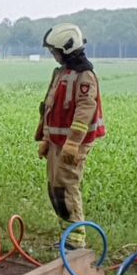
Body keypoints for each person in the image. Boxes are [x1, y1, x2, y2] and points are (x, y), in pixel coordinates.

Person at [35, 23, 105, 249]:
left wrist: (73, 143)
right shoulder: (62, 73)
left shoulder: (84, 76)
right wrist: (46, 138)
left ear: (66, 49)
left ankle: (75, 241)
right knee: (55, 188)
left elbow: (85, 109)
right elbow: (49, 107)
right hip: (58, 142)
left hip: (73, 144)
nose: (53, 55)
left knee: (67, 187)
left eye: (54, 51)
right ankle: (66, 237)